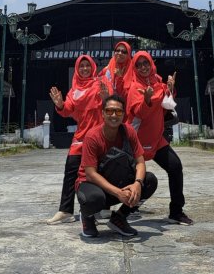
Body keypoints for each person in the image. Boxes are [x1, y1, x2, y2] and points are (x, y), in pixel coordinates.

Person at [76, 94, 158, 238]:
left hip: (116, 178)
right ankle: (87, 216)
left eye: (118, 111)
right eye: (109, 111)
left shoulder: (129, 131)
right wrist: (118, 193)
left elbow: (140, 162)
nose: (114, 115)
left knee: (149, 180)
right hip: (92, 183)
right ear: (102, 113)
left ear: (124, 114)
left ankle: (119, 218)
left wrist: (137, 184)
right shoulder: (92, 136)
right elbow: (90, 173)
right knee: (94, 199)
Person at [126, 50, 193, 226]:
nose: (143, 67)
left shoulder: (158, 82)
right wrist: (146, 100)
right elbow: (138, 113)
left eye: (145, 63)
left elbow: (167, 105)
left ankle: (176, 211)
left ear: (151, 63)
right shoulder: (134, 87)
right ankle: (125, 207)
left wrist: (170, 89)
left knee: (175, 167)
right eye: (139, 64)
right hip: (137, 140)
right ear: (135, 67)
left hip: (156, 139)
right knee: (134, 178)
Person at [46, 55, 108, 225]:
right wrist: (59, 104)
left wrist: (105, 98)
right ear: (77, 69)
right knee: (71, 171)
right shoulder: (74, 90)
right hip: (81, 136)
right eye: (82, 66)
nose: (85, 69)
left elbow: (110, 105)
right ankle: (66, 211)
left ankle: (100, 208)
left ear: (93, 67)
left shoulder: (100, 84)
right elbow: (67, 110)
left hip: (99, 135)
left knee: (98, 172)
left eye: (88, 66)